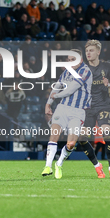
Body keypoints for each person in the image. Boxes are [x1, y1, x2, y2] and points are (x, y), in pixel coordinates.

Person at [42, 49, 92, 179]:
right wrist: (48, 103)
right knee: (54, 136)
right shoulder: (66, 72)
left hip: (78, 112)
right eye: (68, 60)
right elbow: (57, 86)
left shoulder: (85, 71)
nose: (70, 62)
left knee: (70, 144)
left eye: (73, 60)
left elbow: (70, 89)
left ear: (80, 60)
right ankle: (48, 166)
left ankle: (59, 163)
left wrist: (56, 95)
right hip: (62, 108)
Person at [77, 40, 110, 178]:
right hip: (87, 108)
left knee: (107, 132)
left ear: (98, 52)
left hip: (103, 105)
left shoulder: (107, 67)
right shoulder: (82, 70)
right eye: (87, 51)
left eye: (91, 50)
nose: (88, 53)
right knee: (82, 137)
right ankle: (97, 165)